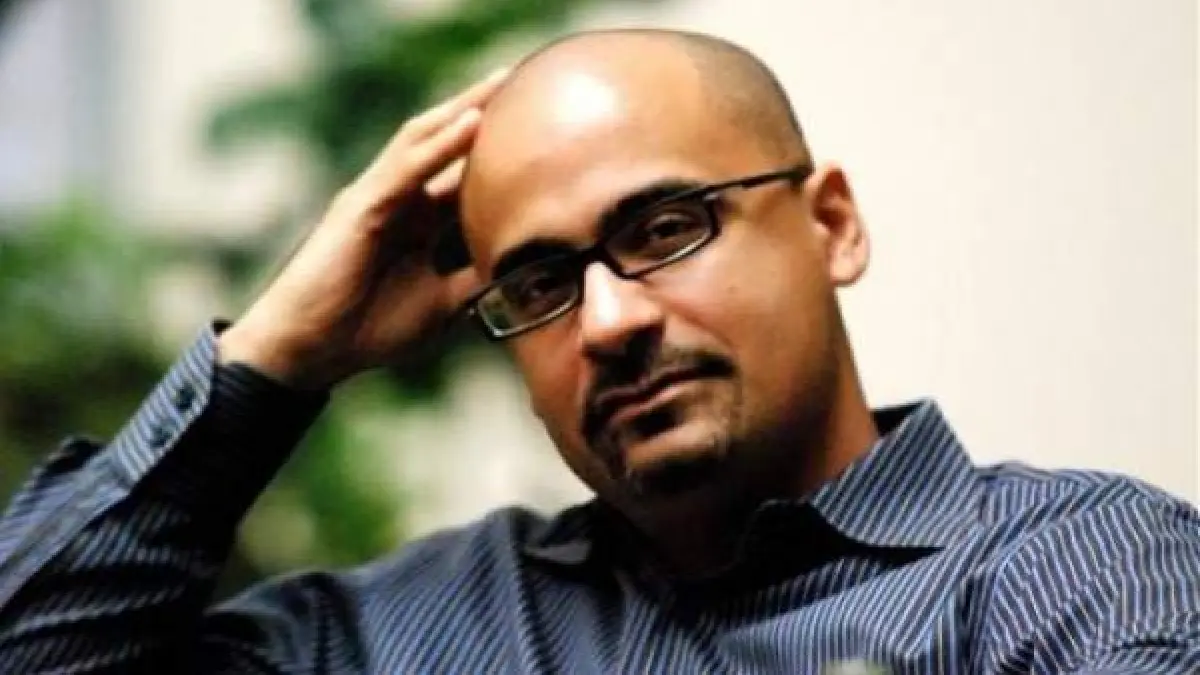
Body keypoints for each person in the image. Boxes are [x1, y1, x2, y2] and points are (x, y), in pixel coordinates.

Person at [0, 28, 1196, 674]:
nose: (610, 322)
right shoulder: (418, 632)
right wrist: (277, 358)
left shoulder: (1077, 575)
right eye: (540, 284)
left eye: (666, 229)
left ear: (831, 225)